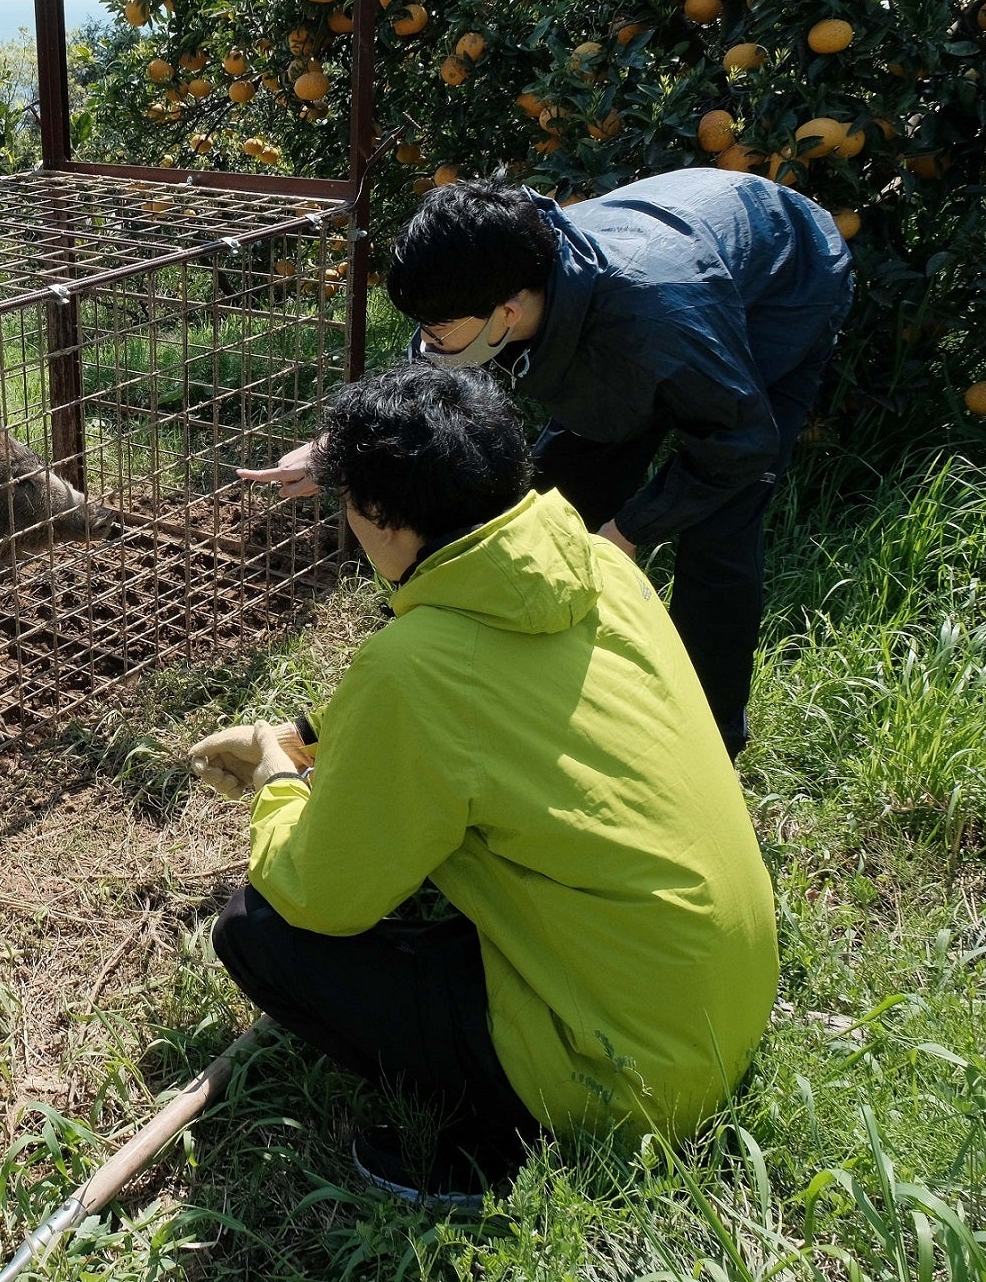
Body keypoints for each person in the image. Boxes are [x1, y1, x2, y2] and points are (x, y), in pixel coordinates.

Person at [192, 362, 777, 1205]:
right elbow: (479, 712)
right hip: (715, 999)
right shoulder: (594, 563)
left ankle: (509, 1139)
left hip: (629, 1078)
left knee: (259, 930)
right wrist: (305, 739)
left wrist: (280, 782)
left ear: (385, 520)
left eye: (347, 503)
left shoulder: (418, 665)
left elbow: (318, 893)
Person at [240, 168, 853, 757]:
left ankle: (711, 739)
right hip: (673, 267)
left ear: (509, 310)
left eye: (439, 328)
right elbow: (427, 395)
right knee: (539, 505)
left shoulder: (658, 316)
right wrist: (333, 451)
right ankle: (515, 684)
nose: (427, 343)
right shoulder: (496, 273)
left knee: (721, 526)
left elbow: (741, 443)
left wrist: (627, 532)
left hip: (784, 275)